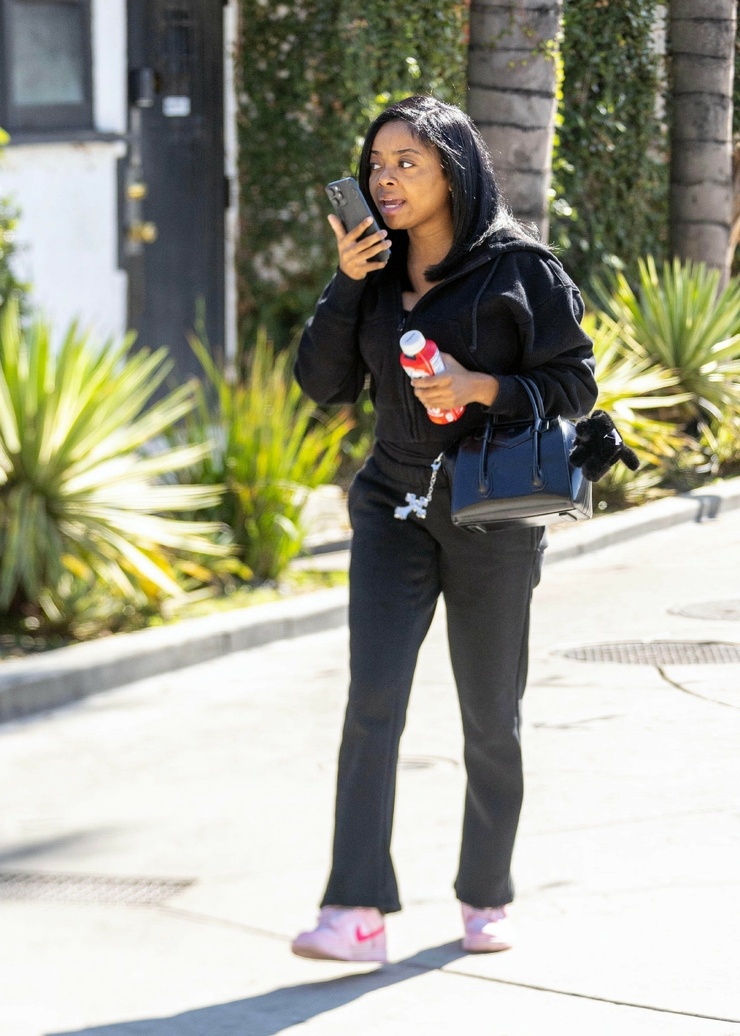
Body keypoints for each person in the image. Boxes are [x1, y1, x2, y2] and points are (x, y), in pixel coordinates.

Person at [291, 95, 597, 963]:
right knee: (372, 701)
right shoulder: (373, 269)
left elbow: (576, 386)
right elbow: (323, 383)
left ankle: (485, 894)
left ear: (453, 172)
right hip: (391, 504)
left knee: (490, 714)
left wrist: (481, 388)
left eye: (406, 164)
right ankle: (355, 911)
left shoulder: (520, 270)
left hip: (491, 514)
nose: (384, 179)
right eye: (376, 164)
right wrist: (346, 282)